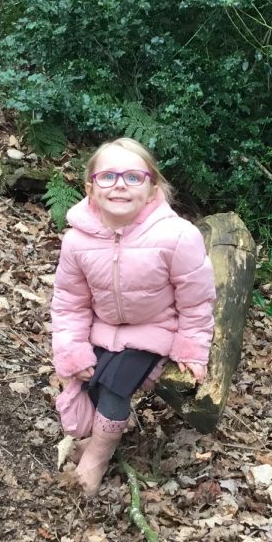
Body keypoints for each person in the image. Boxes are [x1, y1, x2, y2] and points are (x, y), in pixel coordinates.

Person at [50, 138, 216, 496]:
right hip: (103, 329)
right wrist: (72, 350)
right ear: (90, 188)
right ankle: (96, 434)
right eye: (108, 176)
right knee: (90, 381)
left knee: (114, 383)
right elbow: (69, 302)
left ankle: (98, 456)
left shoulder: (177, 236)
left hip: (155, 329)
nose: (120, 185)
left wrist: (191, 347)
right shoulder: (77, 241)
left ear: (152, 188)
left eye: (133, 177)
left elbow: (196, 300)